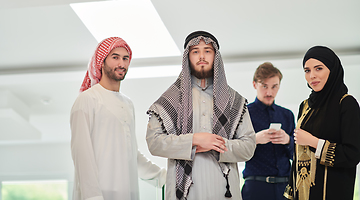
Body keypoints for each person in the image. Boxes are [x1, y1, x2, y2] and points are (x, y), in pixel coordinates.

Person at [146, 30, 256, 200]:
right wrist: (194, 141)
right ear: (187, 57)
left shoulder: (234, 101)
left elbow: (249, 146)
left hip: (224, 190)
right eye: (195, 51)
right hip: (184, 193)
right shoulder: (171, 99)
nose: (201, 56)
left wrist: (216, 145)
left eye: (207, 51)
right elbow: (154, 142)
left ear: (216, 57)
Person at [70, 37, 166, 200]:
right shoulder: (87, 100)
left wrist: (163, 177)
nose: (121, 64)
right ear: (101, 61)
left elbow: (130, 154)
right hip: (98, 195)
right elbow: (82, 154)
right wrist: (93, 196)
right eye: (115, 57)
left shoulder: (128, 104)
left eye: (125, 58)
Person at [283, 46, 360, 200]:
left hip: (332, 192)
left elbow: (352, 154)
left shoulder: (346, 104)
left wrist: (314, 142)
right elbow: (297, 154)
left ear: (332, 70)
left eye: (318, 68)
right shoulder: (305, 106)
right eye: (307, 70)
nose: (312, 76)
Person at [241, 62, 295, 200]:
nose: (269, 92)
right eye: (264, 86)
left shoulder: (287, 115)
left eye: (274, 86)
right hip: (256, 187)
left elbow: (297, 155)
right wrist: (255, 140)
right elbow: (235, 150)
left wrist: (288, 140)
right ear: (255, 85)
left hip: (285, 187)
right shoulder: (244, 114)